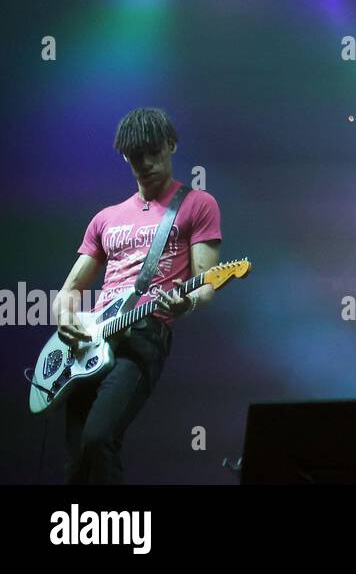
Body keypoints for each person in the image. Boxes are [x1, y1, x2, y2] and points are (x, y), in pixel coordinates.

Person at [54, 108, 223, 483]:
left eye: (153, 152)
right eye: (135, 156)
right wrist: (65, 318)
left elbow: (207, 282)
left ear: (172, 145)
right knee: (77, 457)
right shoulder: (105, 217)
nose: (145, 163)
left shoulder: (198, 204)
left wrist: (187, 301)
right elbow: (70, 290)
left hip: (143, 336)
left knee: (98, 438)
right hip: (92, 342)